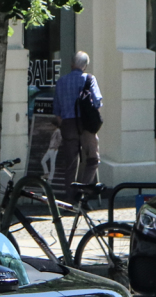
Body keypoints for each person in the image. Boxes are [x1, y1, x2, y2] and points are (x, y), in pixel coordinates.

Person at [53, 51, 102, 199]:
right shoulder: (89, 79)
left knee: (71, 163)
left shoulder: (61, 81)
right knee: (93, 159)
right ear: (85, 66)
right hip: (86, 124)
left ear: (72, 64)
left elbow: (56, 109)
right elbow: (98, 101)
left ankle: (70, 198)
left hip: (68, 124)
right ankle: (83, 193)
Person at [40, 115, 62, 180]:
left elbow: (59, 140)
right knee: (43, 161)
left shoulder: (58, 131)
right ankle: (46, 173)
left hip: (53, 149)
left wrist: (56, 147)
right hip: (50, 148)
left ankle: (51, 176)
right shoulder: (55, 131)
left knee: (52, 163)